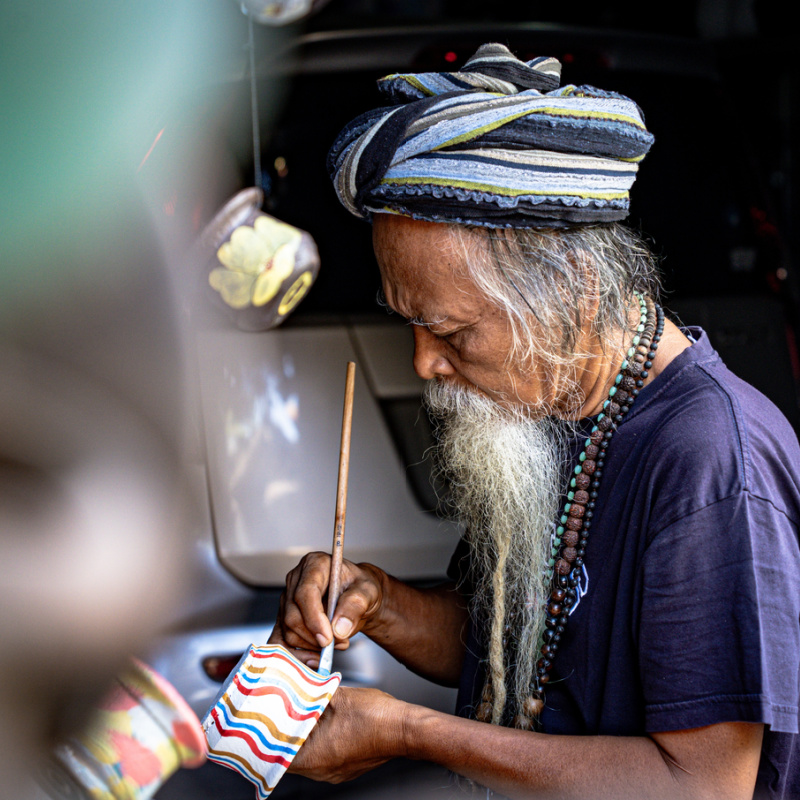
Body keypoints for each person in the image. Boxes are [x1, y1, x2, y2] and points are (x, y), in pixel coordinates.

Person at [268, 44, 800, 799]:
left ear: (573, 291)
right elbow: (526, 650)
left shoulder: (710, 460)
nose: (424, 364)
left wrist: (408, 731)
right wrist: (378, 602)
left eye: (450, 333)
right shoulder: (551, 399)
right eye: (410, 326)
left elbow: (703, 785)